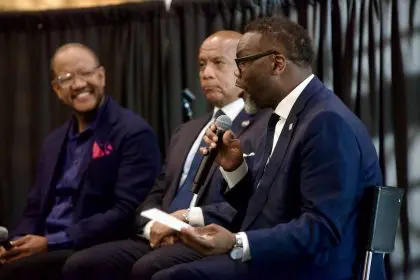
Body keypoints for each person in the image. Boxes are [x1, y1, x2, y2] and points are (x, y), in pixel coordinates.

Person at [152, 16, 387, 280]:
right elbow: (264, 208)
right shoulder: (286, 116)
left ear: (276, 63)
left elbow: (321, 228)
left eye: (242, 63)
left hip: (310, 269)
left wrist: (237, 243)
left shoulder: (326, 122)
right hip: (277, 259)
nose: (238, 79)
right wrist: (235, 169)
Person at [62, 31, 270, 280]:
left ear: (242, 70)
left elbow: (252, 202)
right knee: (81, 264)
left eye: (218, 63)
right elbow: (157, 193)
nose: (206, 73)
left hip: (210, 237)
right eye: (202, 64)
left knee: (150, 268)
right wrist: (153, 228)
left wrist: (184, 223)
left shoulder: (263, 126)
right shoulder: (187, 130)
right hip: (161, 236)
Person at [0, 43, 161, 280]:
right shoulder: (53, 141)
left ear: (101, 76)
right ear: (56, 89)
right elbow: (34, 209)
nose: (78, 84)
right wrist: (14, 244)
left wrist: (51, 242)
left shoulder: (133, 132)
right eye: (66, 78)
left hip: (87, 245)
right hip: (45, 243)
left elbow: (125, 212)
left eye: (85, 73)